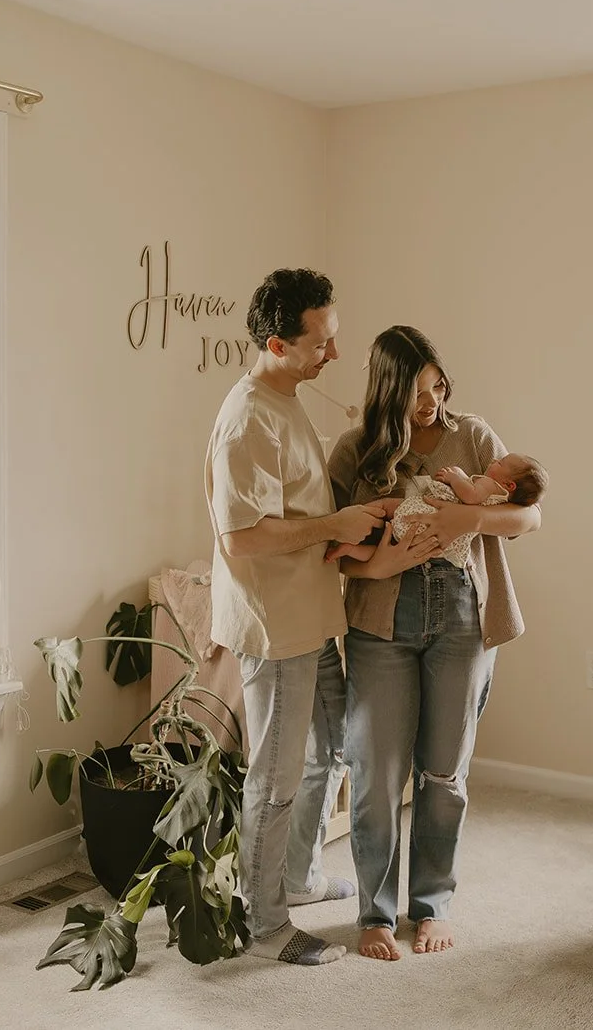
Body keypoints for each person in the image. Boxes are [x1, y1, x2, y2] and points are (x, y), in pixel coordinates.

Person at [326, 325, 543, 961]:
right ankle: (375, 912)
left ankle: (432, 905)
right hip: (380, 625)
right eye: (419, 393)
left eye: (438, 386)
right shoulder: (355, 452)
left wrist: (469, 517)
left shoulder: (473, 436)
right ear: (388, 392)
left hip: (462, 621)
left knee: (443, 773)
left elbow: (530, 514)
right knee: (375, 773)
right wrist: (381, 565)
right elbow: (333, 555)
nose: (433, 403)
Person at [204, 268, 391, 966]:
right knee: (276, 779)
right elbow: (241, 537)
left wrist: (343, 530)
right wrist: (332, 524)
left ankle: (297, 876)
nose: (335, 354)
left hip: (311, 617)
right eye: (323, 342)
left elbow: (295, 514)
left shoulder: (288, 398)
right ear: (279, 344)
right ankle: (265, 925)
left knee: (331, 746)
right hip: (275, 624)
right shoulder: (248, 417)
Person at [327, 453, 548, 570]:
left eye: (499, 462)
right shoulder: (501, 490)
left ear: (510, 486)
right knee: (381, 551)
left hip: (426, 513)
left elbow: (532, 515)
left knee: (386, 509)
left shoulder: (492, 484)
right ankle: (350, 549)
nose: (494, 460)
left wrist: (456, 477)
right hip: (432, 541)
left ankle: (355, 521)